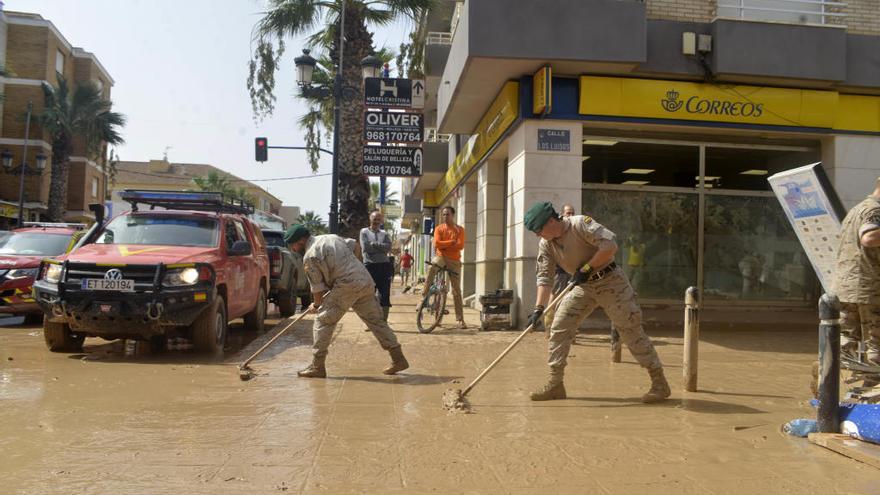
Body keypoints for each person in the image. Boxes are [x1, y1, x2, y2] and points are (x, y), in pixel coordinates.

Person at [523, 201, 670, 403]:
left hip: (610, 281)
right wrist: (538, 309)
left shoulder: (580, 224)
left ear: (551, 221)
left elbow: (610, 246)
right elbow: (544, 278)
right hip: (583, 287)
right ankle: (556, 384)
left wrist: (586, 268)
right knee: (559, 326)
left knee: (629, 329)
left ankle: (659, 384)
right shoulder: (546, 244)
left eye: (539, 230)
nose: (538, 235)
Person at [284, 224, 409, 378]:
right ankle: (399, 358)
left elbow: (317, 290)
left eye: (293, 245)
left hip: (346, 285)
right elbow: (355, 245)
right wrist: (352, 266)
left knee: (323, 321)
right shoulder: (331, 237)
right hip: (364, 280)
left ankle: (317, 366)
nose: (293, 250)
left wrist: (316, 305)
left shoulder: (309, 257)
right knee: (376, 321)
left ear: (301, 241)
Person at [833, 178, 880, 371]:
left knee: (845, 343)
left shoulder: (856, 209)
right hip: (870, 290)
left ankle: (831, 387)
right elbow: (869, 238)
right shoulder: (874, 211)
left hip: (846, 288)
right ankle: (873, 389)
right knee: (876, 344)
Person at [418, 206, 467, 329]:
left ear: (453, 215)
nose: (445, 217)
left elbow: (460, 245)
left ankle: (460, 319)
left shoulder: (460, 230)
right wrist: (451, 243)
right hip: (441, 257)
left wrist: (444, 245)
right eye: (444, 214)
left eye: (448, 214)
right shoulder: (439, 229)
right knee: (433, 267)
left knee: (456, 290)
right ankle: (423, 297)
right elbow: (436, 243)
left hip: (454, 260)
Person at [544, 204, 577, 331]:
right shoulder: (557, 230)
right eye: (568, 213)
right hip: (561, 270)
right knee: (556, 296)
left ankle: (570, 328)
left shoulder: (575, 229)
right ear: (562, 214)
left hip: (575, 271)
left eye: (572, 212)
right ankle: (549, 324)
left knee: (572, 299)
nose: (571, 215)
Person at [360, 210, 393, 320]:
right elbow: (366, 248)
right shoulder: (364, 232)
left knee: (385, 295)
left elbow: (388, 247)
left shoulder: (384, 234)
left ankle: (383, 322)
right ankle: (371, 322)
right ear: (370, 219)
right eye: (375, 219)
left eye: (379, 219)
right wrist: (381, 248)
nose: (376, 221)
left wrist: (374, 244)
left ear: (381, 221)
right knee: (369, 296)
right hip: (370, 266)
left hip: (384, 266)